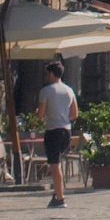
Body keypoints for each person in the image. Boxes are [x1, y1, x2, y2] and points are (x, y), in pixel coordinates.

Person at [38, 61, 79, 209]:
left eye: (47, 74)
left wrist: (45, 114)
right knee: (58, 163)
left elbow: (40, 115)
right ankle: (57, 193)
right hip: (66, 130)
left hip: (53, 130)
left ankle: (60, 197)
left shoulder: (46, 91)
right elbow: (74, 114)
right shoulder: (69, 90)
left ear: (51, 74)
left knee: (55, 165)